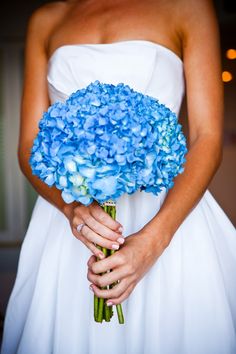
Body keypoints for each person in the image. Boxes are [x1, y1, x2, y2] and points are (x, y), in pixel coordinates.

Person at [1, 0, 236, 353]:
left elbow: (208, 138)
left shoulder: (188, 7)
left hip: (167, 220)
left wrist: (154, 241)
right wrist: (71, 211)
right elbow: (28, 146)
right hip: (75, 224)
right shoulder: (48, 19)